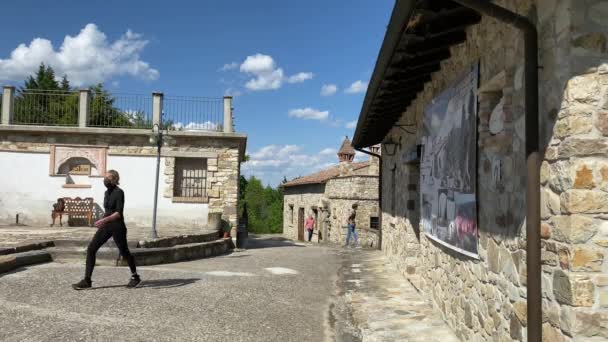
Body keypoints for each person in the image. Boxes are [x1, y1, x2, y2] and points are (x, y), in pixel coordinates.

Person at [72, 170, 141, 290]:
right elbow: (108, 211)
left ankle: (135, 276)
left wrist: (104, 220)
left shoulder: (119, 193)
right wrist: (101, 220)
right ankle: (87, 280)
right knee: (91, 248)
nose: (105, 180)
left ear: (114, 180)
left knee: (124, 251)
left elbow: (118, 213)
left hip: (117, 226)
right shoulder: (106, 193)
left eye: (108, 178)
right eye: (105, 178)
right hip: (107, 225)